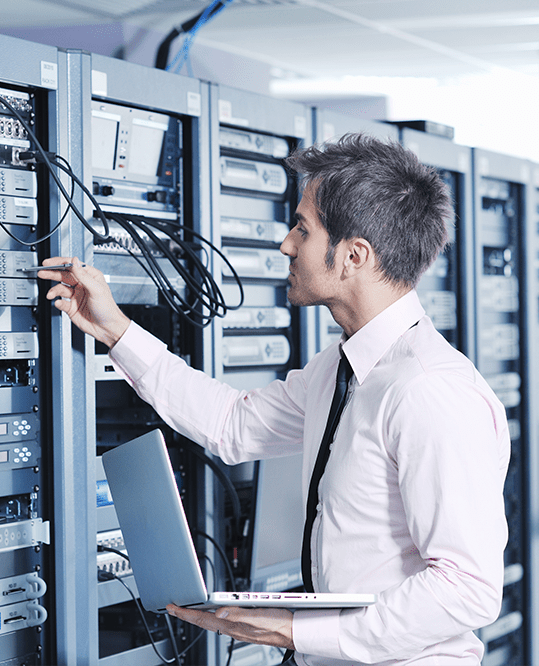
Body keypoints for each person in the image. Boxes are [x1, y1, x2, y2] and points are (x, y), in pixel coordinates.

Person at [38, 133, 510, 665]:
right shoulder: (340, 370)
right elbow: (232, 424)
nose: (286, 244)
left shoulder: (431, 391)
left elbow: (467, 587)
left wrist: (295, 631)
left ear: (353, 256)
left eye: (303, 229)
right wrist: (115, 329)